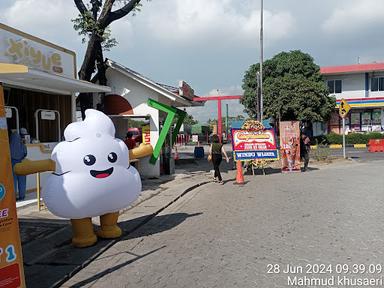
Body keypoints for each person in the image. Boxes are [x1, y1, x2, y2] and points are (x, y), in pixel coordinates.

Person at [9, 129, 28, 200]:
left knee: (13, 181)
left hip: (12, 164)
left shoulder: (9, 146)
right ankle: (22, 196)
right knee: (22, 181)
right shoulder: (22, 145)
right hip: (21, 163)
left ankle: (14, 197)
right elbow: (25, 153)